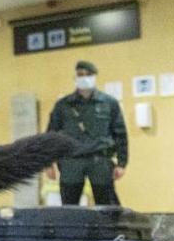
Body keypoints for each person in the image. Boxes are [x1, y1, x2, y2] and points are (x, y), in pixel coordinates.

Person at [45, 60, 128, 205]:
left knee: (107, 208)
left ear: (94, 76)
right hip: (71, 161)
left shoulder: (109, 103)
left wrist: (122, 163)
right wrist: (46, 163)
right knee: (69, 208)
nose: (84, 78)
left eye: (88, 74)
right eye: (80, 74)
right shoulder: (63, 105)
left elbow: (120, 134)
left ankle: (108, 228)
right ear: (75, 77)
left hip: (100, 160)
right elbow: (50, 135)